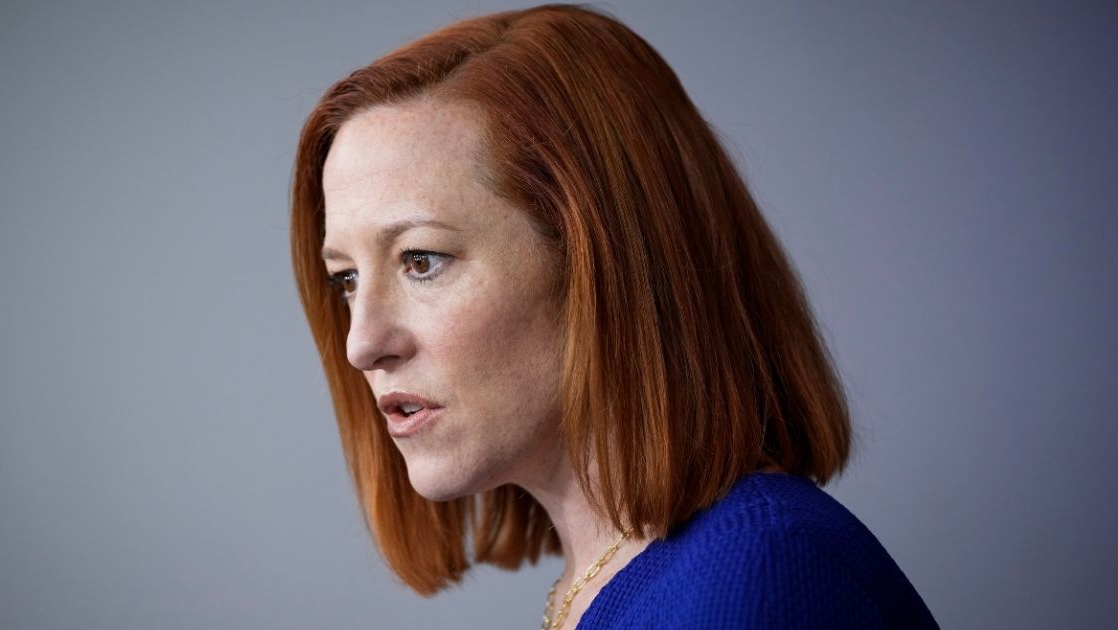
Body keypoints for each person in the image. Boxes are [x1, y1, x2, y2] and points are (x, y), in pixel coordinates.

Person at [290, 3, 938, 628]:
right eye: (345, 278)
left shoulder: (761, 574)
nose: (362, 343)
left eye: (421, 260)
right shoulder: (602, 583)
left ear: (602, 259)